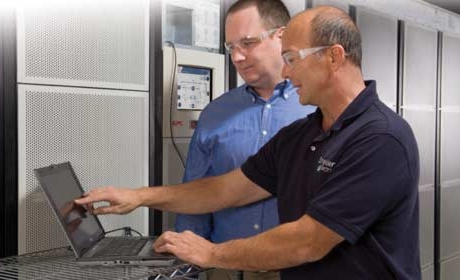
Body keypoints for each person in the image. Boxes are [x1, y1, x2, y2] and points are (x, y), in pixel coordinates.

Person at [76, 6, 421, 280]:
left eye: (292, 59)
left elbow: (309, 240)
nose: (286, 74)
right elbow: (224, 190)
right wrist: (138, 197)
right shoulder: (301, 136)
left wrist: (211, 253)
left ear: (333, 57)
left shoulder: (380, 139)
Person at [175, 0, 314, 279]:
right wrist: (184, 272)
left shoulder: (316, 107)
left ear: (282, 36)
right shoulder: (215, 114)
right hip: (225, 268)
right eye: (230, 48)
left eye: (248, 43)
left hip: (298, 270)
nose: (237, 57)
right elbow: (196, 199)